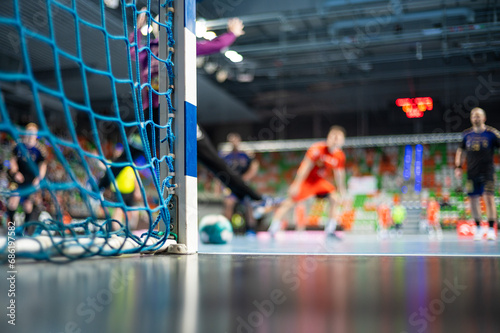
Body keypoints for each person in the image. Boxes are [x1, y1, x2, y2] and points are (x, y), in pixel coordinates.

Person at [129, 12, 262, 203]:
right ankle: (100, 188)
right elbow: (132, 51)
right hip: (157, 115)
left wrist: (231, 34)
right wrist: (137, 29)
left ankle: (252, 198)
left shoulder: (179, 48)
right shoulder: (151, 50)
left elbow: (214, 45)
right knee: (130, 154)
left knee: (210, 159)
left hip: (174, 113)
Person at [268, 126, 347, 237]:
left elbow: (339, 173)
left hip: (319, 182)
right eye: (332, 136)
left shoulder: (339, 156)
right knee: (290, 201)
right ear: (328, 137)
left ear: (342, 141)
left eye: (337, 138)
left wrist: (342, 190)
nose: (334, 140)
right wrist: (296, 184)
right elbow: (305, 167)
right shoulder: (317, 148)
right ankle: (273, 227)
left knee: (335, 198)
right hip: (307, 181)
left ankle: (330, 229)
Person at [455, 107, 498, 241]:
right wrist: (458, 167)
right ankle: (478, 228)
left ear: (484, 118)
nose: (476, 117)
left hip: (487, 172)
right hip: (471, 173)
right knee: (473, 200)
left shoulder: (491, 134)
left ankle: (491, 229)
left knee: (489, 199)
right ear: (471, 119)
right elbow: (460, 151)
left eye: (478, 115)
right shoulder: (467, 135)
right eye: (473, 115)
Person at [7, 123, 47, 227]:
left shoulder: (40, 149)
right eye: (28, 132)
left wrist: (38, 179)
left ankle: (25, 230)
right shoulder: (18, 145)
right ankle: (11, 229)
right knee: (12, 202)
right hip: (18, 179)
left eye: (33, 133)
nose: (30, 135)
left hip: (31, 181)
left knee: (28, 206)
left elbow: (43, 166)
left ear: (36, 135)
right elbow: (13, 160)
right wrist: (15, 173)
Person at [219, 133, 259, 234]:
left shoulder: (246, 154)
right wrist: (220, 184)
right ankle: (226, 228)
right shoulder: (225, 155)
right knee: (228, 204)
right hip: (231, 185)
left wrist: (245, 178)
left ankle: (251, 229)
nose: (234, 143)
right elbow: (220, 170)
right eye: (231, 140)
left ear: (239, 141)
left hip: (243, 184)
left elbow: (255, 166)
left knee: (248, 204)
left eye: (235, 140)